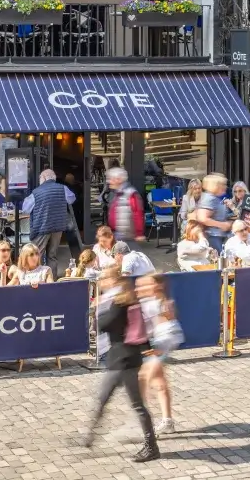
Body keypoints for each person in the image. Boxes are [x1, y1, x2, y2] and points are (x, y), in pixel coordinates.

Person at [81, 267, 161, 463]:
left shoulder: (119, 302)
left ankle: (152, 447)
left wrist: (95, 310)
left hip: (125, 361)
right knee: (103, 397)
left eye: (104, 278)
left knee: (137, 405)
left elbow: (103, 326)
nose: (102, 282)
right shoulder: (127, 300)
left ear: (113, 280)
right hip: (122, 359)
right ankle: (89, 436)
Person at [137, 274, 178, 436]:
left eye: (145, 285)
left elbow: (169, 331)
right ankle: (167, 421)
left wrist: (159, 349)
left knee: (143, 380)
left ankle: (141, 422)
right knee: (159, 382)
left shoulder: (163, 304)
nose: (140, 289)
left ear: (157, 286)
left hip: (160, 346)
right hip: (153, 345)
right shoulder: (147, 302)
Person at [20, 169, 76, 277]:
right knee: (52, 255)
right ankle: (52, 279)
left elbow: (26, 208)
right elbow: (72, 199)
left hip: (42, 227)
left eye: (40, 178)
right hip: (58, 227)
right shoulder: (62, 188)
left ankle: (37, 278)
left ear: (44, 178)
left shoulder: (36, 192)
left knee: (37, 254)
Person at [106, 167, 146, 243]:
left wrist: (139, 233)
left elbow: (137, 213)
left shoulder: (130, 193)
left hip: (127, 235)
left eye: (111, 179)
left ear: (118, 179)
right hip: (118, 233)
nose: (109, 181)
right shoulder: (116, 193)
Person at [195, 173, 231, 253]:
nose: (226, 187)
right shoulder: (209, 198)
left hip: (217, 236)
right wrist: (222, 225)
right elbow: (202, 218)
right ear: (216, 186)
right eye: (223, 184)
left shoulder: (214, 198)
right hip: (213, 237)